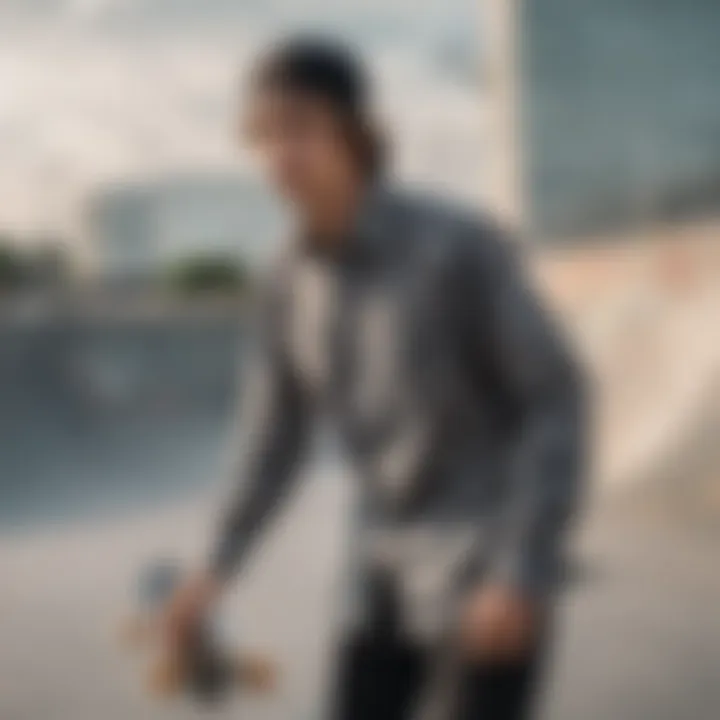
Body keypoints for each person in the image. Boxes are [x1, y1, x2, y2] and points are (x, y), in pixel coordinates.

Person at [163, 37, 586, 720]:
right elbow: (270, 440)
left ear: (355, 134)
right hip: (381, 566)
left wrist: (522, 567)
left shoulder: (457, 246)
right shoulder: (283, 282)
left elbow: (552, 398)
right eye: (265, 135)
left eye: (299, 128)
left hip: (486, 564)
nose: (280, 155)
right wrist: (213, 568)